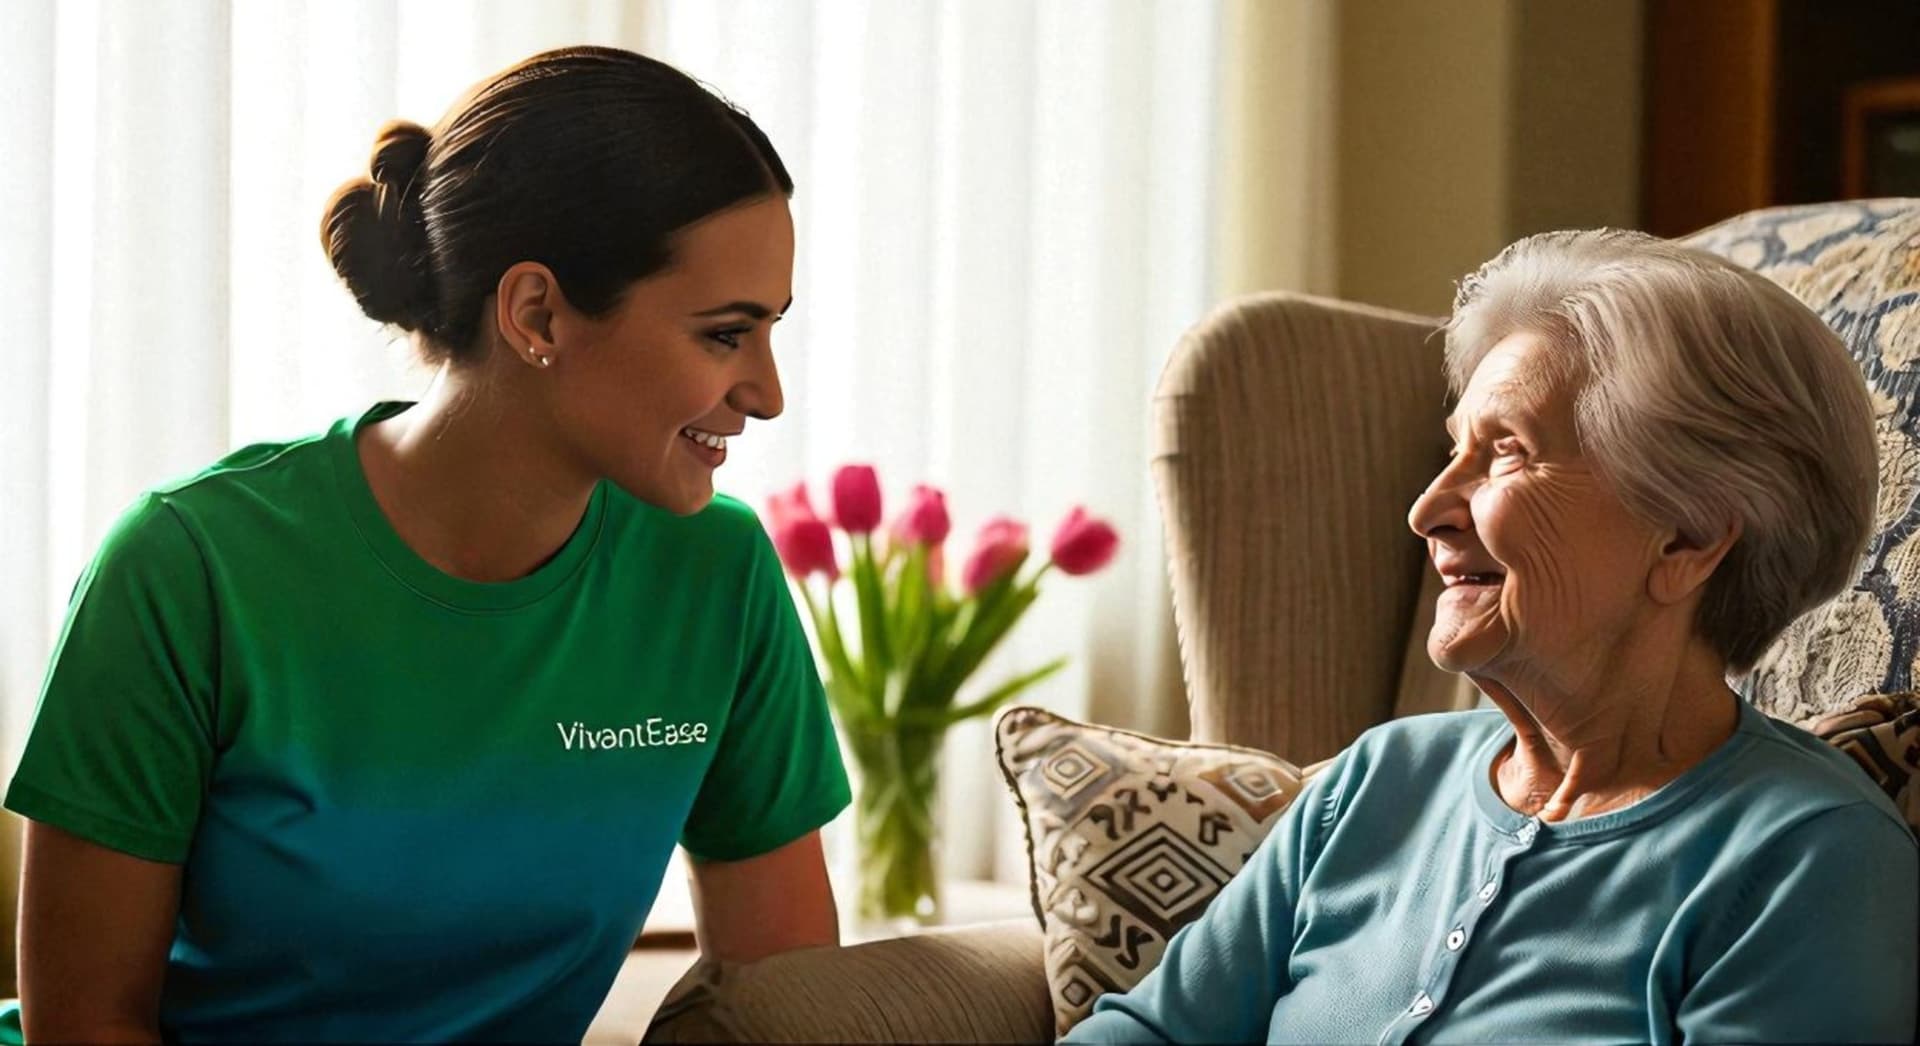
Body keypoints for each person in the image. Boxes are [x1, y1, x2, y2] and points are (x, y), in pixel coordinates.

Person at [7, 46, 849, 1041]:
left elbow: (786, 1005)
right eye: (725, 333)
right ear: (537, 313)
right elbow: (86, 1021)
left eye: (771, 329)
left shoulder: (717, 573)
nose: (767, 393)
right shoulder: (187, 568)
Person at [1065, 230, 1918, 1043]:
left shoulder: (1809, 859)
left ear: (1687, 540)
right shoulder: (1380, 781)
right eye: (1455, 451)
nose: (1428, 509)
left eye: (1506, 451)